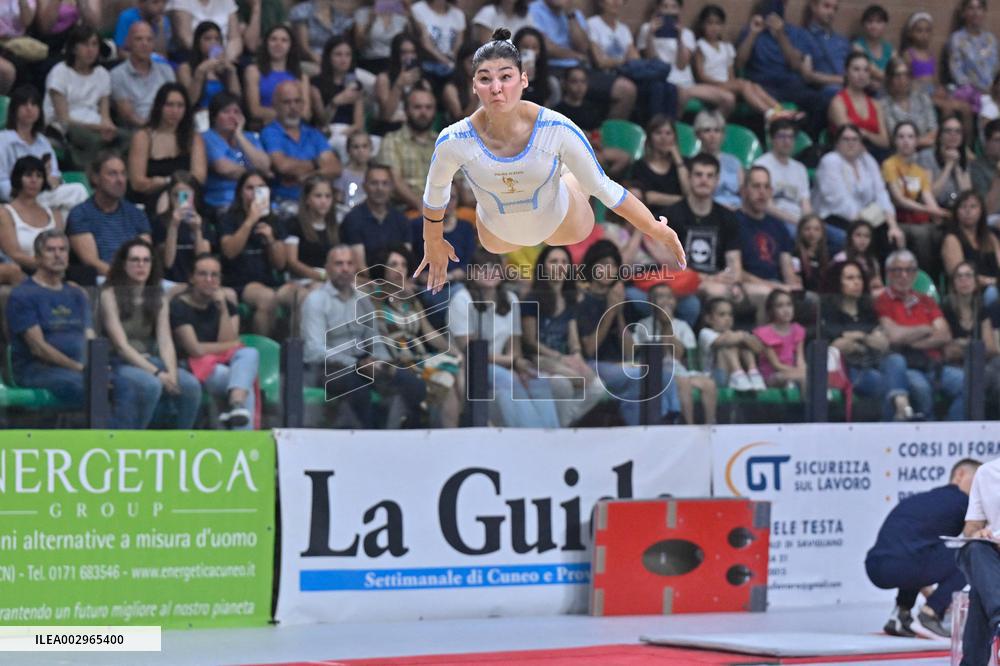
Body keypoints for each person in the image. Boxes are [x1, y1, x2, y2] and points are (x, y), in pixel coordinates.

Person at [416, 30, 685, 296]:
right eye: (485, 79)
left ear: (523, 80)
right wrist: (433, 240)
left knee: (582, 182)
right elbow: (436, 190)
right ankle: (557, 171)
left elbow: (603, 186)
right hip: (498, 235)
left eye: (506, 77)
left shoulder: (556, 128)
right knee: (500, 213)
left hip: (561, 223)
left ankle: (566, 176)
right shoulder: (454, 138)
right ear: (474, 85)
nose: (496, 88)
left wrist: (652, 227)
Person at [300, 244, 426, 429]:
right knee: (358, 388)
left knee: (413, 385)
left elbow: (374, 339)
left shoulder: (363, 300)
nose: (345, 269)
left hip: (363, 363)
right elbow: (313, 351)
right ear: (327, 268)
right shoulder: (316, 300)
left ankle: (404, 441)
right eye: (339, 264)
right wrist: (356, 364)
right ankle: (367, 443)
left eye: (349, 264)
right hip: (327, 367)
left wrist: (382, 363)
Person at [867, 459, 981, 638]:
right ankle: (930, 614)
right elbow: (973, 534)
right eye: (979, 480)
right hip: (904, 564)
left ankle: (900, 614)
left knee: (919, 549)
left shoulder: (924, 499)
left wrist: (928, 589)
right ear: (960, 475)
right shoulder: (962, 500)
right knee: (972, 555)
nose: (982, 487)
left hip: (875, 567)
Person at [449, 247, 559, 427]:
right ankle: (533, 438)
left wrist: (517, 362)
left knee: (538, 380)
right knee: (509, 380)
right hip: (472, 367)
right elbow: (471, 352)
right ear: (472, 273)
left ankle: (553, 438)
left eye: (494, 267)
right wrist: (511, 361)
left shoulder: (511, 299)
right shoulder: (461, 300)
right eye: (482, 268)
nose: (489, 272)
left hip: (502, 363)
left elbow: (515, 349)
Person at [100, 239, 202, 429]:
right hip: (117, 362)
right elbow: (121, 346)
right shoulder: (110, 294)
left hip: (149, 359)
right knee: (151, 384)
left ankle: (180, 443)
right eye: (135, 260)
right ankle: (139, 442)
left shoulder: (158, 295)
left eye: (146, 260)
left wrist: (171, 373)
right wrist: (157, 373)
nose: (141, 265)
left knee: (190, 385)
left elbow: (165, 340)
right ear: (124, 264)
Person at [576, 240, 681, 424]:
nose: (609, 270)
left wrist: (619, 313)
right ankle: (637, 427)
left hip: (623, 364)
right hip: (594, 365)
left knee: (664, 375)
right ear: (591, 268)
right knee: (638, 377)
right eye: (603, 265)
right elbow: (589, 349)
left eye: (613, 266)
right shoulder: (583, 302)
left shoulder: (621, 301)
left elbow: (629, 352)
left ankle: (671, 420)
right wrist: (610, 310)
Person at [170, 253, 259, 429]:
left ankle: (236, 405)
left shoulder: (225, 304)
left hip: (220, 364)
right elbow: (195, 349)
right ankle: (243, 443)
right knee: (241, 382)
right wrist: (230, 345)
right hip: (190, 366)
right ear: (192, 278)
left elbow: (229, 344)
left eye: (214, 275)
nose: (209, 280)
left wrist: (223, 308)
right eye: (203, 274)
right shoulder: (179, 306)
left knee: (250, 353)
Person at [875, 249, 966, 421]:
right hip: (905, 367)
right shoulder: (883, 300)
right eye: (897, 270)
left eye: (909, 270)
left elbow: (945, 334)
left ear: (915, 274)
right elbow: (893, 336)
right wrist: (925, 328)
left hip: (933, 364)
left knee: (968, 383)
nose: (904, 275)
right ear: (888, 274)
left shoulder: (926, 300)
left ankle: (951, 432)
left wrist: (909, 339)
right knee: (921, 388)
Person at [5, 230, 93, 407]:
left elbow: (90, 336)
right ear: (37, 257)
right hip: (37, 369)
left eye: (62, 249)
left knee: (132, 384)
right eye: (50, 250)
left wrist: (95, 366)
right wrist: (80, 368)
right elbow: (39, 349)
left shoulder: (77, 293)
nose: (58, 255)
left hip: (79, 367)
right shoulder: (23, 294)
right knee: (88, 386)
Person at [521, 244, 605, 427]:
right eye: (553, 261)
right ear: (543, 266)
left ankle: (563, 424)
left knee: (597, 387)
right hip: (538, 360)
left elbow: (573, 338)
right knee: (563, 385)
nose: (559, 266)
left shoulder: (570, 298)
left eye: (563, 262)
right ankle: (563, 430)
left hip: (563, 359)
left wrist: (576, 357)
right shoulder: (531, 299)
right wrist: (560, 358)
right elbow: (529, 341)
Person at [820, 260, 911, 420]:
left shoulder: (869, 310)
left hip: (877, 362)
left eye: (859, 278)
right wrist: (867, 337)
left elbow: (883, 344)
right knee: (884, 383)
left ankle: (900, 402)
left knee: (896, 360)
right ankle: (900, 414)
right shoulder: (830, 313)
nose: (856, 282)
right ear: (838, 282)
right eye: (850, 278)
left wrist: (857, 337)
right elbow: (837, 346)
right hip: (853, 369)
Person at [661, 153, 743, 322]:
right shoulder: (671, 215)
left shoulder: (728, 217)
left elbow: (735, 266)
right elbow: (669, 266)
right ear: (689, 178)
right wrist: (706, 279)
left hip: (716, 281)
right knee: (715, 291)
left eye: (709, 175)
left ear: (717, 180)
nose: (704, 180)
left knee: (737, 292)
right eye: (698, 175)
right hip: (682, 281)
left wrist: (730, 278)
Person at [218, 172, 297, 336]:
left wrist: (271, 240)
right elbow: (229, 252)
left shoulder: (274, 220)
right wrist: (250, 221)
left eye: (261, 187)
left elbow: (280, 264)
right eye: (249, 188)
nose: (255, 192)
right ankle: (263, 351)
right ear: (240, 192)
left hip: (269, 281)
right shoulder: (228, 218)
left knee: (302, 295)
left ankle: (298, 352)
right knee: (266, 298)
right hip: (238, 282)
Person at [735, 0, 827, 135]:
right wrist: (753, 33)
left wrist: (780, 35)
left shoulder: (795, 33)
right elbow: (739, 64)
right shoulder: (751, 30)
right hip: (762, 84)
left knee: (818, 101)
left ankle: (806, 143)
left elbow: (795, 65)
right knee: (755, 105)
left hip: (789, 84)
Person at [43, 24, 128, 169]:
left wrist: (108, 127)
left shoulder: (102, 74)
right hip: (65, 127)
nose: (91, 50)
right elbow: (63, 118)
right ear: (74, 48)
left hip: (95, 124)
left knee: (130, 138)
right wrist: (97, 127)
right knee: (94, 140)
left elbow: (105, 114)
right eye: (85, 44)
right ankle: (91, 176)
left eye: (94, 44)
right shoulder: (60, 72)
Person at [635, 282, 718, 424]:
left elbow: (680, 356)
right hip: (657, 372)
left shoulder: (682, 326)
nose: (666, 301)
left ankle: (711, 426)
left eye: (670, 297)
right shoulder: (643, 325)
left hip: (680, 369)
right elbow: (652, 354)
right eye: (660, 297)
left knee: (709, 384)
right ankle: (688, 426)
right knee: (683, 382)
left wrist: (668, 325)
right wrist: (665, 325)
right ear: (650, 301)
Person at [636, 0, 735, 116]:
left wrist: (679, 38)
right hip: (664, 82)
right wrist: (650, 35)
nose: (669, 11)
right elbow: (651, 60)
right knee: (679, 94)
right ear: (657, 8)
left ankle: (709, 126)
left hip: (687, 84)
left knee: (729, 99)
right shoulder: (646, 28)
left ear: (679, 10)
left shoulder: (687, 33)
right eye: (664, 6)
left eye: (673, 7)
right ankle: (670, 130)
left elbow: (681, 65)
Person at [813, 124, 904, 250]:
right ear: (837, 143)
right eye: (846, 139)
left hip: (866, 217)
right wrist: (864, 226)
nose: (851, 143)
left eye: (855, 139)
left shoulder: (867, 160)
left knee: (891, 237)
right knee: (864, 238)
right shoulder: (830, 161)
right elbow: (839, 202)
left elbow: (881, 193)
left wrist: (893, 226)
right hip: (835, 217)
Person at [66, 152, 152, 284]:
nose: (120, 180)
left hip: (137, 278)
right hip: (102, 280)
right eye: (112, 174)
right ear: (95, 178)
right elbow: (91, 261)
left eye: (123, 173)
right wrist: (124, 277)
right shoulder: (80, 214)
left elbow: (146, 252)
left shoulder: (136, 213)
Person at [0, 85, 88, 211]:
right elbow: (1, 181)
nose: (29, 108)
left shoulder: (43, 142)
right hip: (17, 197)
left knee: (77, 191)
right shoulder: (3, 139)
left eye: (34, 104)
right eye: (24, 104)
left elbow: (55, 174)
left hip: (43, 193)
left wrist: (53, 181)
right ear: (14, 109)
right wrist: (22, 190)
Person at [693, 4, 787, 119]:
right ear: (702, 25)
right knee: (743, 84)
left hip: (728, 85)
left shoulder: (726, 47)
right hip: (710, 85)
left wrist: (732, 84)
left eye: (718, 23)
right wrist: (723, 84)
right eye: (710, 23)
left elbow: (731, 73)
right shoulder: (700, 46)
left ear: (722, 25)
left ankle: (780, 109)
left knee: (754, 86)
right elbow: (701, 75)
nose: (714, 27)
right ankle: (768, 112)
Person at [127, 82, 207, 216]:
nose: (175, 111)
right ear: (159, 106)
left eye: (180, 106)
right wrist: (168, 183)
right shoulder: (143, 137)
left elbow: (198, 177)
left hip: (185, 197)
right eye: (169, 105)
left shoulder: (193, 138)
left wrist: (167, 182)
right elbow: (137, 182)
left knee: (184, 201)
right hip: (149, 200)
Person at [882, 121, 947, 274]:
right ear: (895, 141)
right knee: (922, 234)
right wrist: (931, 211)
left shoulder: (919, 171)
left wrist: (940, 213)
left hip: (916, 219)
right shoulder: (889, 164)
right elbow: (899, 199)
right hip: (896, 218)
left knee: (944, 233)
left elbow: (927, 196)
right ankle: (922, 278)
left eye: (910, 137)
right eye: (901, 136)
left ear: (916, 141)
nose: (906, 141)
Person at [260, 79, 340, 204]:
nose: (293, 107)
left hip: (316, 202)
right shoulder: (270, 132)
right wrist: (316, 163)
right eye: (287, 102)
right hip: (284, 201)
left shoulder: (313, 133)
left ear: (303, 104)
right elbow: (283, 166)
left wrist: (309, 176)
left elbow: (335, 168)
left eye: (297, 101)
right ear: (275, 105)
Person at [956, 456, 1000, 665]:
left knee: (982, 591)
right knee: (974, 548)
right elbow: (970, 528)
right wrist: (980, 533)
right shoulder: (987, 472)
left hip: (990, 575)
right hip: (991, 555)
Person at [201, 91, 272, 213]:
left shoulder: (250, 137)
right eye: (226, 112)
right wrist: (257, 173)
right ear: (214, 116)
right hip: (222, 202)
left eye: (236, 112)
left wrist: (239, 135)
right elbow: (224, 168)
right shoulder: (207, 137)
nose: (232, 117)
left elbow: (264, 165)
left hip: (257, 200)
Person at [736, 166, 799, 297]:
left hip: (776, 285)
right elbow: (734, 269)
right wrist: (771, 286)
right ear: (744, 191)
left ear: (771, 192)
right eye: (756, 186)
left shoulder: (778, 225)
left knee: (810, 300)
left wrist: (794, 287)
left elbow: (787, 268)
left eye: (766, 187)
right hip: (745, 286)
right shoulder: (732, 222)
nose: (762, 192)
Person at [754, 119, 818, 242]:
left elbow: (805, 203)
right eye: (781, 136)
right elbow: (766, 206)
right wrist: (796, 221)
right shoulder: (762, 165)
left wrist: (809, 223)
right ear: (772, 139)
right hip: (775, 219)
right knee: (799, 236)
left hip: (800, 221)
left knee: (838, 237)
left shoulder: (800, 168)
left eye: (790, 137)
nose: (787, 141)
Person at [376, 87, 438, 212]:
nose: (423, 112)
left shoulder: (443, 142)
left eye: (428, 107)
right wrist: (420, 205)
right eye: (417, 107)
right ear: (406, 110)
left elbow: (455, 182)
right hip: (406, 209)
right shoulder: (392, 140)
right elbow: (395, 181)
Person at [340, 164, 410, 271]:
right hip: (365, 284)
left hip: (398, 282)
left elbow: (407, 262)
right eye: (374, 183)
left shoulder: (402, 220)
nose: (380, 188)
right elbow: (360, 268)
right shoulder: (353, 219)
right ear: (364, 186)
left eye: (385, 183)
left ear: (392, 187)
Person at [0, 156, 63, 274]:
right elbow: (14, 254)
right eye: (28, 175)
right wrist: (45, 265)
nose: (34, 180)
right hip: (22, 273)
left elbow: (62, 248)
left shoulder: (55, 214)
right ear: (18, 178)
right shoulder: (5, 213)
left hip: (55, 273)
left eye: (39, 176)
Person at [151, 171, 215, 286]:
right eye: (176, 195)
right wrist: (174, 226)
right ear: (169, 196)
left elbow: (202, 260)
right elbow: (168, 263)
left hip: (196, 284)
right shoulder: (160, 222)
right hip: (169, 281)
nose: (181, 200)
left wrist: (197, 231)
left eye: (186, 195)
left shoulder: (202, 222)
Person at [110, 22, 177, 130]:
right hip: (136, 132)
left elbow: (175, 104)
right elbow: (128, 115)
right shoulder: (117, 74)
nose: (144, 44)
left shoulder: (166, 70)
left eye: (149, 40)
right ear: (129, 42)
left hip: (167, 127)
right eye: (139, 39)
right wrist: (153, 129)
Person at [244, 24, 310, 128]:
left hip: (296, 129)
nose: (278, 44)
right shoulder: (253, 71)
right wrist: (289, 116)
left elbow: (306, 113)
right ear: (266, 43)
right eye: (273, 39)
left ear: (291, 46)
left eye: (284, 40)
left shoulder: (301, 76)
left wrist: (276, 116)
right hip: (264, 127)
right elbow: (255, 110)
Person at [311, 36, 365, 160]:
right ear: (329, 57)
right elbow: (321, 121)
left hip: (349, 132)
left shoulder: (356, 85)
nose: (343, 59)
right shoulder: (315, 84)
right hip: (326, 131)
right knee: (341, 143)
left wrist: (345, 133)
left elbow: (359, 123)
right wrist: (335, 103)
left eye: (347, 55)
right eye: (338, 54)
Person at [942, 191, 1000, 307]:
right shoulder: (951, 239)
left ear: (981, 211)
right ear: (956, 212)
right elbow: (959, 276)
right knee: (992, 293)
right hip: (970, 292)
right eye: (963, 207)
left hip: (995, 285)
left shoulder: (990, 237)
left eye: (973, 206)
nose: (968, 211)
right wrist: (991, 282)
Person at [699, 296, 766, 392]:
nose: (728, 319)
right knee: (728, 345)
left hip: (735, 377)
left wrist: (744, 338)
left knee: (743, 344)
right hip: (714, 378)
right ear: (709, 319)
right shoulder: (705, 333)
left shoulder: (735, 334)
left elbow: (759, 349)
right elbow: (723, 341)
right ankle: (737, 372)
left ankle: (753, 373)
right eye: (722, 315)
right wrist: (744, 336)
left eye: (730, 315)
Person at [628, 115, 689, 220]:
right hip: (648, 219)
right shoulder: (640, 166)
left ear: (674, 137)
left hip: (679, 218)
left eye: (668, 133)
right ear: (650, 137)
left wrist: (678, 160)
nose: (663, 138)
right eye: (658, 133)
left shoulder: (684, 164)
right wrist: (682, 201)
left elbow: (689, 192)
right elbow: (646, 197)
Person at [828, 52, 889, 157]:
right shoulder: (838, 102)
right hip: (846, 156)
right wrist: (872, 136)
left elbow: (885, 142)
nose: (862, 75)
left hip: (875, 154)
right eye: (856, 69)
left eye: (866, 70)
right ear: (846, 72)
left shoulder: (875, 104)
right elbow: (850, 135)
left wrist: (867, 134)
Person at [284, 174, 338, 285]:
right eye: (318, 196)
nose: (324, 201)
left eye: (328, 196)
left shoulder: (335, 227)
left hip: (331, 280)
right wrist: (321, 276)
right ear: (307, 199)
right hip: (302, 281)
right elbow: (292, 262)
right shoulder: (294, 225)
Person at [176, 21, 242, 111]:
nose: (213, 43)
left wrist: (232, 72)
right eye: (207, 39)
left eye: (217, 39)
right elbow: (189, 101)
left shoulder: (224, 68)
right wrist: (200, 72)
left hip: (224, 116)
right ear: (198, 42)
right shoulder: (185, 68)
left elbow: (236, 100)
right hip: (199, 115)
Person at [373, 34, 431, 135]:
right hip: (388, 131)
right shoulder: (384, 79)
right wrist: (398, 85)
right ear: (396, 54)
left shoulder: (423, 83)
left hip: (414, 131)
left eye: (413, 52)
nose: (409, 57)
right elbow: (386, 116)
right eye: (404, 52)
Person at [753, 289, 806, 389]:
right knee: (796, 377)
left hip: (794, 372)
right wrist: (798, 371)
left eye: (789, 305)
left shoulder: (798, 330)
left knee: (810, 376)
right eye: (780, 306)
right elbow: (776, 365)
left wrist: (802, 370)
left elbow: (800, 359)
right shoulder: (764, 333)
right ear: (771, 310)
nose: (786, 310)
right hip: (772, 375)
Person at [881, 55, 937, 150]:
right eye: (897, 75)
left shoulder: (922, 97)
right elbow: (895, 138)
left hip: (930, 149)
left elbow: (934, 129)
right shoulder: (884, 105)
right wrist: (924, 141)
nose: (902, 80)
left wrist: (916, 142)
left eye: (906, 75)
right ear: (889, 79)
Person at [948, 0, 999, 98]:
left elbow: (996, 69)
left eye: (979, 8)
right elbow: (957, 73)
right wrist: (978, 91)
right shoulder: (957, 39)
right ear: (964, 13)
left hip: (993, 95)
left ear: (984, 12)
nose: (975, 12)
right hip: (970, 96)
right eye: (971, 8)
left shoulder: (991, 40)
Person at [694, 109, 741, 210]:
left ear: (723, 135)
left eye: (717, 130)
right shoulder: (692, 164)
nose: (712, 135)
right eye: (707, 130)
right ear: (698, 135)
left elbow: (744, 194)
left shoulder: (734, 162)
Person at [410, 0, 465, 86]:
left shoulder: (458, 14)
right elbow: (425, 42)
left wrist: (451, 58)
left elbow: (459, 42)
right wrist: (446, 61)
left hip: (451, 64)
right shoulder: (418, 9)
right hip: (426, 63)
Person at [169, 0, 243, 63]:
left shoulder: (227, 1)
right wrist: (207, 56)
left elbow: (235, 38)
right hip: (193, 56)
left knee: (249, 69)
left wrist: (227, 58)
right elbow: (185, 37)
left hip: (224, 56)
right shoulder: (181, 1)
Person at [353, 0, 410, 74]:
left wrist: (409, 13)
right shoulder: (362, 13)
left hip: (394, 62)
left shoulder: (400, 15)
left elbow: (409, 41)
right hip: (370, 61)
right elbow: (359, 44)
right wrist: (370, 23)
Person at [289, 0, 354, 65]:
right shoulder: (302, 11)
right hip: (310, 61)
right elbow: (304, 48)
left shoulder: (339, 15)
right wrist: (325, 64)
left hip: (336, 61)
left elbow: (343, 44)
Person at [853, 4, 893, 89]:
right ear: (863, 24)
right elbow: (874, 72)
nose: (874, 26)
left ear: (885, 25)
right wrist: (892, 79)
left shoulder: (889, 49)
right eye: (870, 21)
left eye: (878, 22)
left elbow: (897, 70)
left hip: (887, 90)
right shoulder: (857, 46)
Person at [793, 214, 830, 293]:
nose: (812, 233)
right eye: (807, 229)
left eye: (817, 229)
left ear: (822, 233)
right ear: (800, 231)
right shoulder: (795, 254)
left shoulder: (825, 256)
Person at [972, 118, 1000, 216]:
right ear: (986, 142)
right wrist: (998, 177)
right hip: (990, 219)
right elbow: (986, 210)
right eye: (997, 140)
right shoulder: (976, 168)